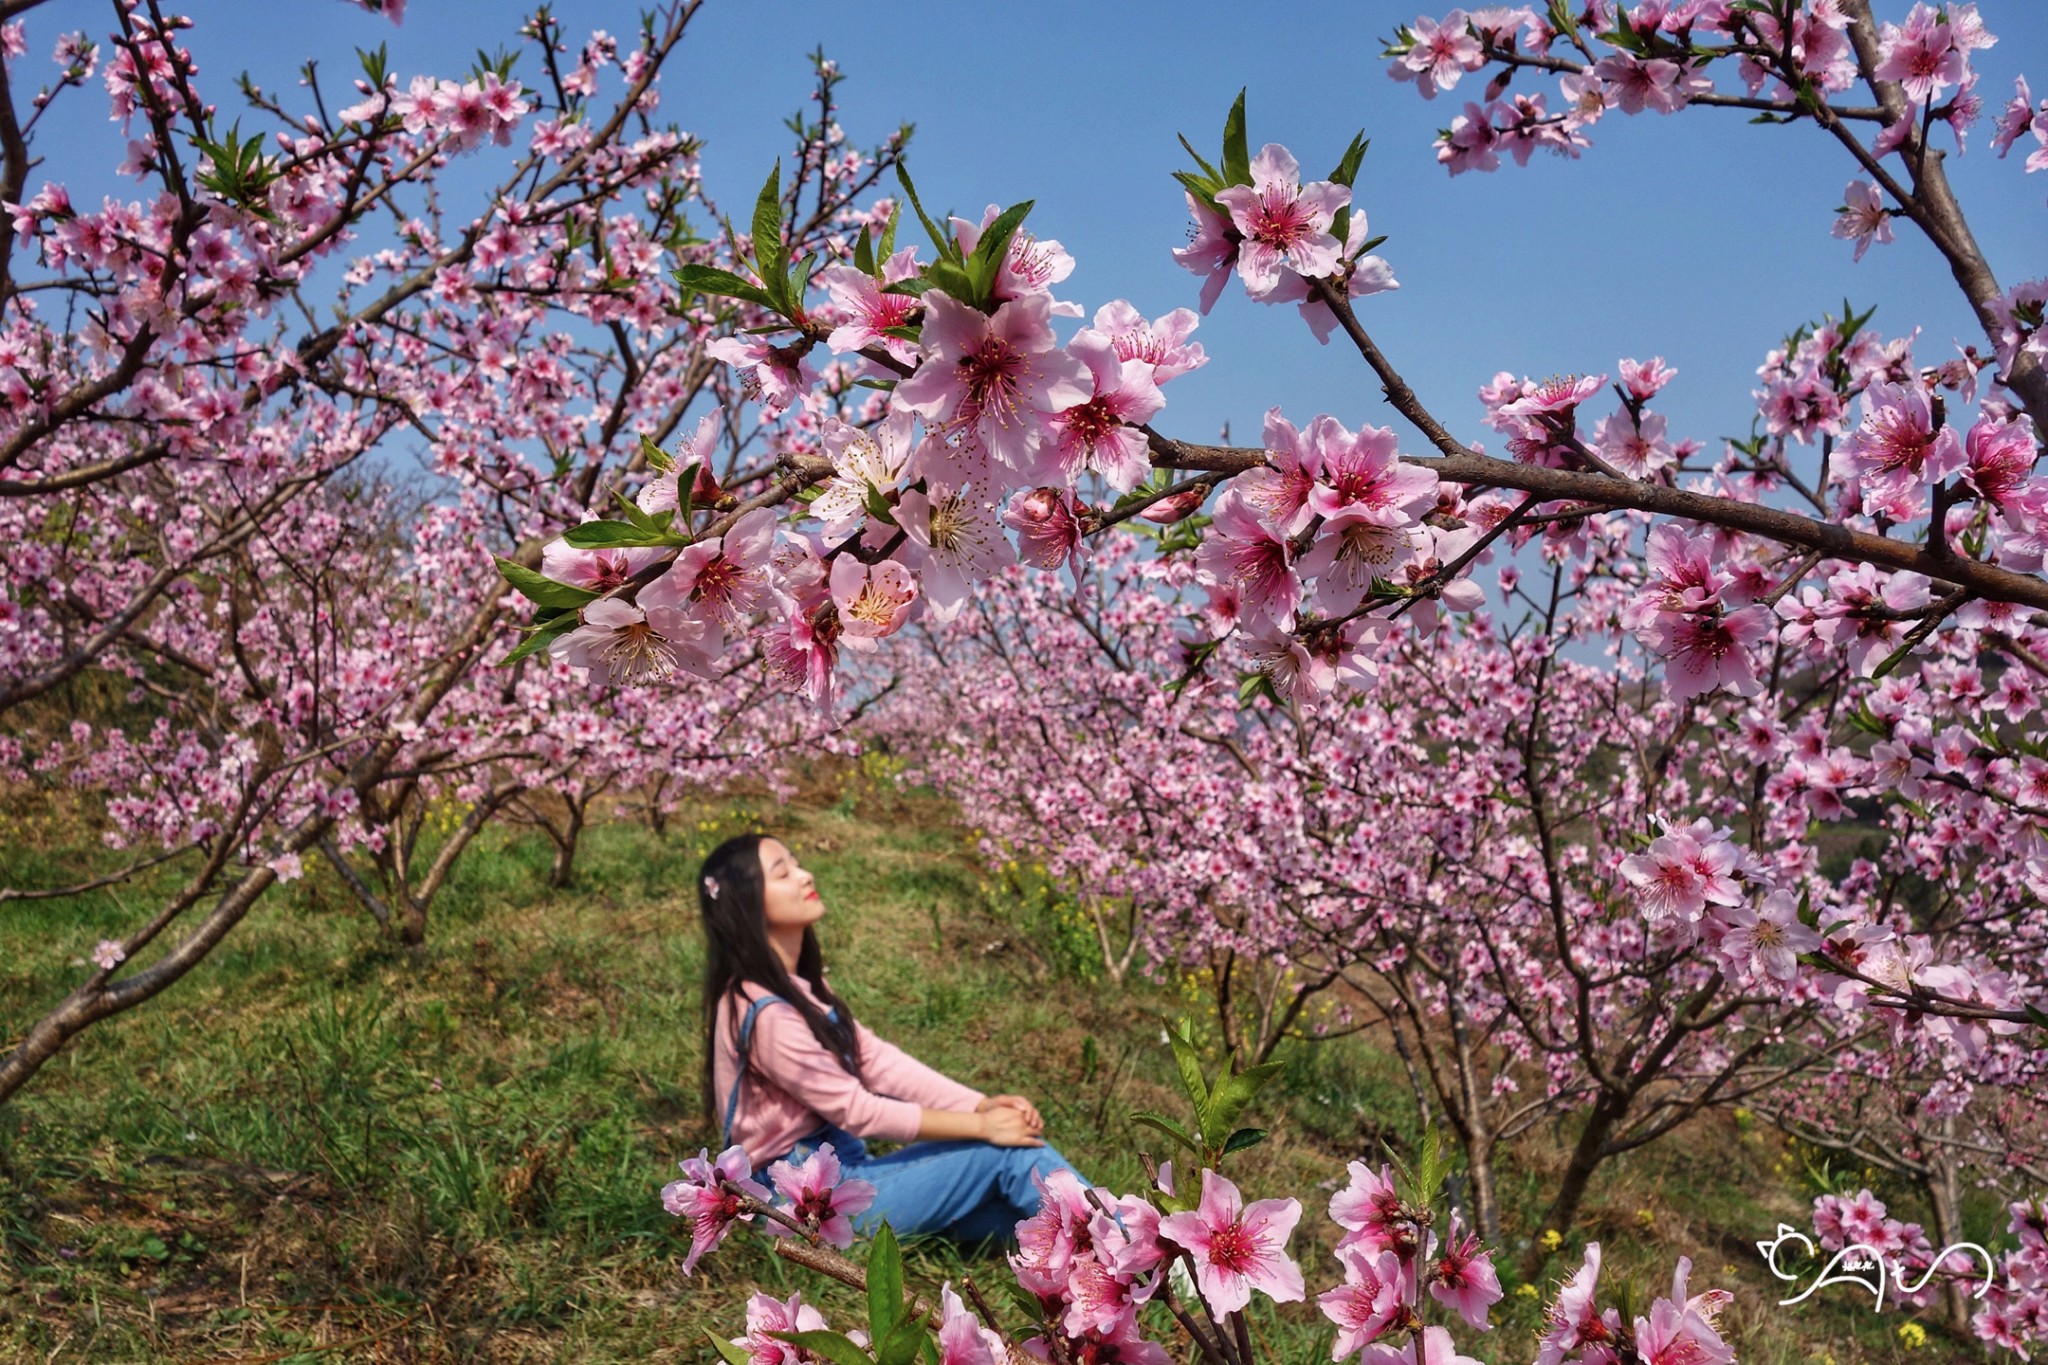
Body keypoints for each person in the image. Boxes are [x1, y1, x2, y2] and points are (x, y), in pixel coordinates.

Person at [697, 831, 1082, 1245]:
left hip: (835, 1179)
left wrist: (979, 1104)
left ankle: (1108, 1261)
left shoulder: (790, 988)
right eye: (783, 872)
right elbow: (858, 1111)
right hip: (804, 1209)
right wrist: (983, 1127)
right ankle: (1129, 1251)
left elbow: (874, 1059)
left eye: (797, 863)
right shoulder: (768, 1013)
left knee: (1018, 1213)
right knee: (1011, 1155)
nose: (806, 876)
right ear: (748, 902)